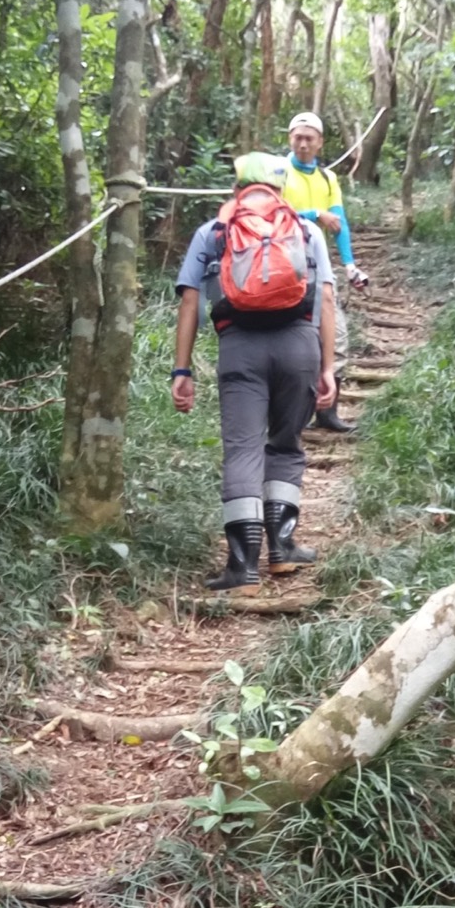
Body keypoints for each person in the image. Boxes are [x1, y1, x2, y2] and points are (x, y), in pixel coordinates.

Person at [170, 157, 337, 590]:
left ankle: (242, 565)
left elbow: (190, 301)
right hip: (299, 343)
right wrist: (327, 366)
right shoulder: (307, 231)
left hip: (240, 347)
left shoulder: (214, 232)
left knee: (243, 450)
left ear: (237, 187)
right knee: (285, 444)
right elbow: (327, 301)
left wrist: (182, 368)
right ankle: (282, 550)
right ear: (280, 190)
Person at [279, 111, 368, 432]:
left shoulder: (329, 179)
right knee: (291, 341)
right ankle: (291, 414)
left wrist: (350, 264)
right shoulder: (278, 172)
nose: (303, 144)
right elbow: (271, 212)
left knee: (337, 337)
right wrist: (314, 213)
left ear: (320, 143)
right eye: (297, 137)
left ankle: (328, 412)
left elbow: (338, 224)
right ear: (289, 138)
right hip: (281, 270)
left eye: (309, 138)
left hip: (320, 270)